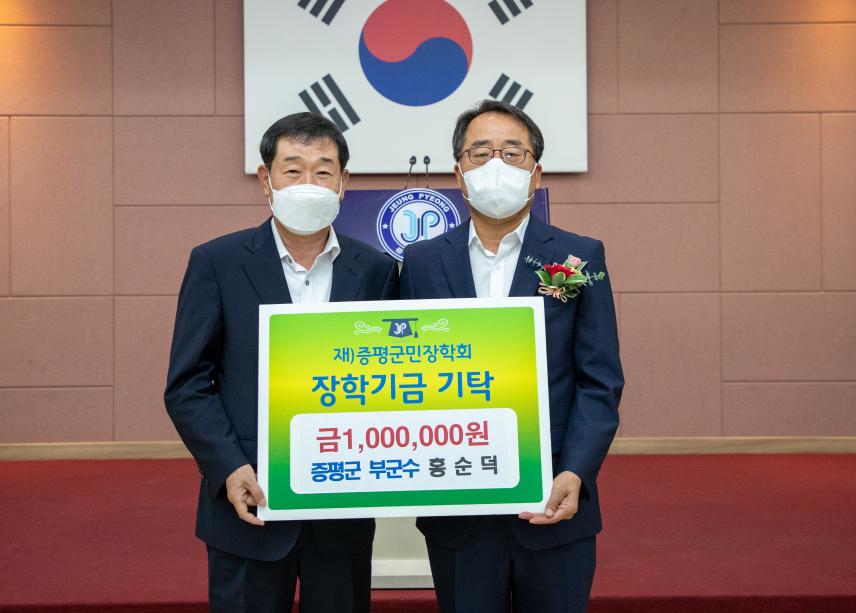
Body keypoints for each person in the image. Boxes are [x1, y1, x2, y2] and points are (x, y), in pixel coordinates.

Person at [164, 112, 398, 613]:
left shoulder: (377, 270)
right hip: (249, 499)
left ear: (344, 182)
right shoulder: (217, 262)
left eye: (323, 170)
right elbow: (187, 385)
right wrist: (228, 466)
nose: (308, 183)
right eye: (293, 170)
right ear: (265, 179)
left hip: (342, 505)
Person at [399, 100, 624, 613]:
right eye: (480, 153)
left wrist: (576, 471)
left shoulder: (578, 257)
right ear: (459, 173)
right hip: (458, 505)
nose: (496, 164)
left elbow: (599, 380)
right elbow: (404, 370)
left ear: (535, 172)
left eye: (512, 153)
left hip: (553, 499)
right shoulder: (421, 261)